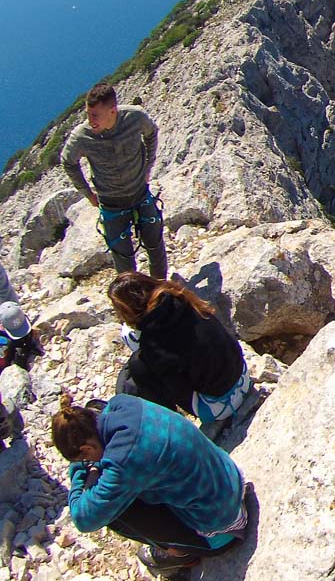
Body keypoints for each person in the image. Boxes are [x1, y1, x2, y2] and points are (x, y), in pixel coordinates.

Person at [52, 394, 247, 572]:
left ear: (86, 449)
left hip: (224, 527)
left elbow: (83, 519)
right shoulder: (123, 403)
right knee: (121, 488)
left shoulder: (123, 461)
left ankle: (181, 554)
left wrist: (80, 471)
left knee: (113, 512)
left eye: (84, 457)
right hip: (233, 479)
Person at [108, 273, 250, 431]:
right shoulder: (180, 296)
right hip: (243, 377)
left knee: (138, 366)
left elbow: (179, 391)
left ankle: (172, 428)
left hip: (221, 406)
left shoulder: (153, 342)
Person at [61, 83, 167, 278]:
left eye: (95, 115)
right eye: (88, 114)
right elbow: (68, 162)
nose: (90, 120)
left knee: (155, 247)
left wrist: (148, 167)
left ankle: (161, 294)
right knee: (124, 263)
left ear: (112, 111)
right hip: (111, 204)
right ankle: (134, 304)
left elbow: (151, 133)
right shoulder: (82, 136)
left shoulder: (135, 118)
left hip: (140, 193)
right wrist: (88, 194)